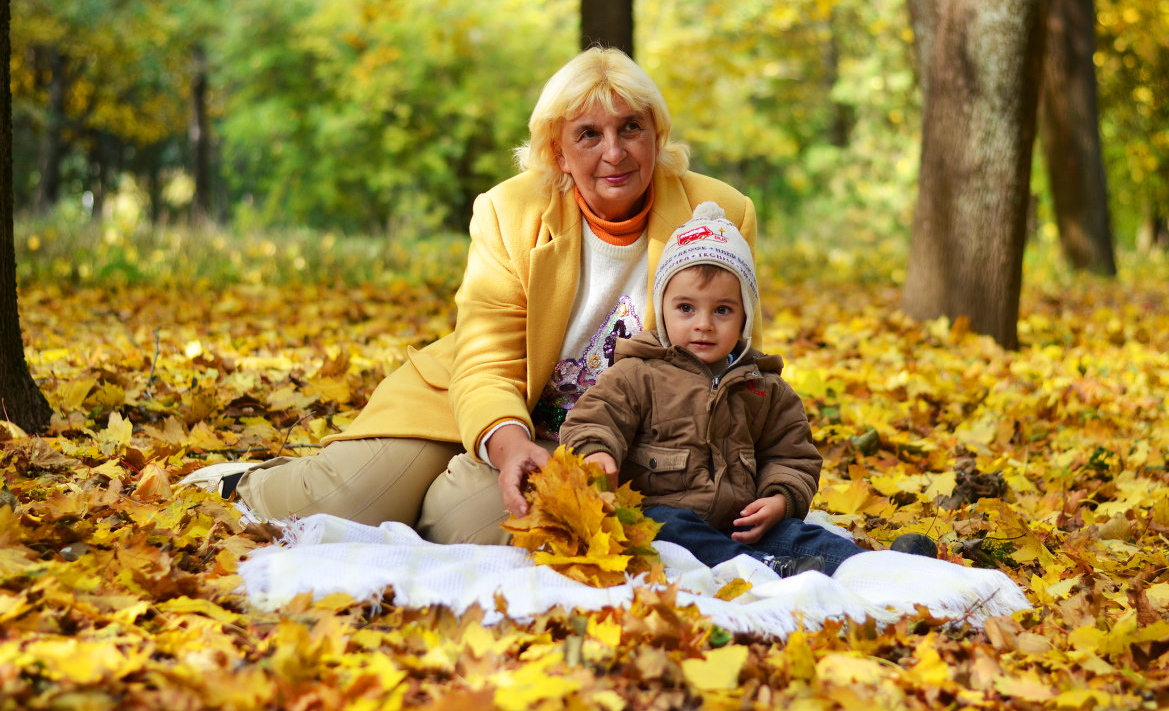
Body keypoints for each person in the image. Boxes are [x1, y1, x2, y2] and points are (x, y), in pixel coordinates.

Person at [179, 46, 762, 545]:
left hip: (608, 440)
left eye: (630, 127)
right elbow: (485, 357)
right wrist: (507, 446)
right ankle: (243, 481)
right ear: (558, 151)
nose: (614, 152)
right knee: (343, 501)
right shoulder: (510, 211)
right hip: (483, 400)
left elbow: (725, 362)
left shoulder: (719, 212)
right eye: (588, 134)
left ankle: (439, 490)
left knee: (463, 527)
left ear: (656, 134)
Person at [559, 203, 917, 577]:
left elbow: (791, 456)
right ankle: (763, 569)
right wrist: (596, 453)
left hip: (742, 526)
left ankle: (883, 569)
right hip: (666, 521)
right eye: (685, 307)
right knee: (665, 527)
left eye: (723, 311)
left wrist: (778, 501)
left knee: (803, 536)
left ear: (745, 315)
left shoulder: (764, 389)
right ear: (662, 307)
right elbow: (596, 419)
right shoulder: (637, 374)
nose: (703, 325)